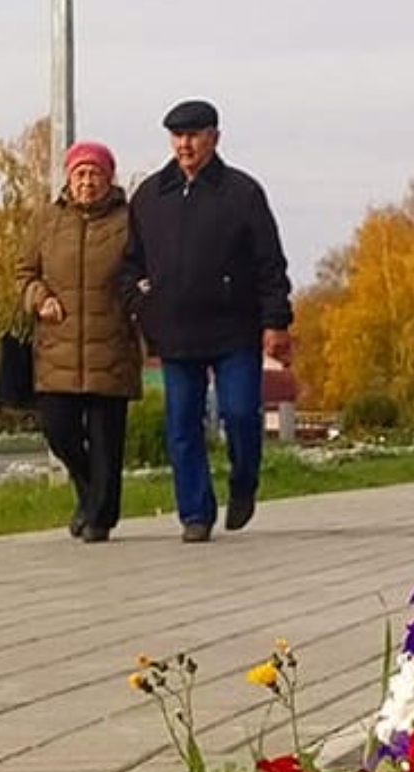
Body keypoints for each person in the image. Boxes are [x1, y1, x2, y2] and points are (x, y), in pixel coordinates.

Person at [123, 99, 294, 543]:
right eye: (177, 136)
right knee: (182, 425)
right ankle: (195, 513)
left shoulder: (242, 193)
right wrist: (142, 303)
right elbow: (130, 262)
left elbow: (270, 262)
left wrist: (276, 322)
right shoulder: (150, 196)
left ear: (214, 138)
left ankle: (243, 483)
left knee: (240, 414)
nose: (185, 145)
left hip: (234, 329)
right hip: (175, 331)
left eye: (194, 135)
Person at [17, 141, 142, 543]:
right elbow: (25, 274)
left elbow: (144, 271)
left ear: (109, 179)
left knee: (106, 442)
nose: (88, 182)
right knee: (59, 431)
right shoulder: (47, 221)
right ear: (69, 178)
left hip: (111, 347)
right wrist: (39, 298)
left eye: (95, 174)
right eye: (80, 174)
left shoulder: (130, 222)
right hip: (57, 348)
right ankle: (92, 497)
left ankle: (99, 518)